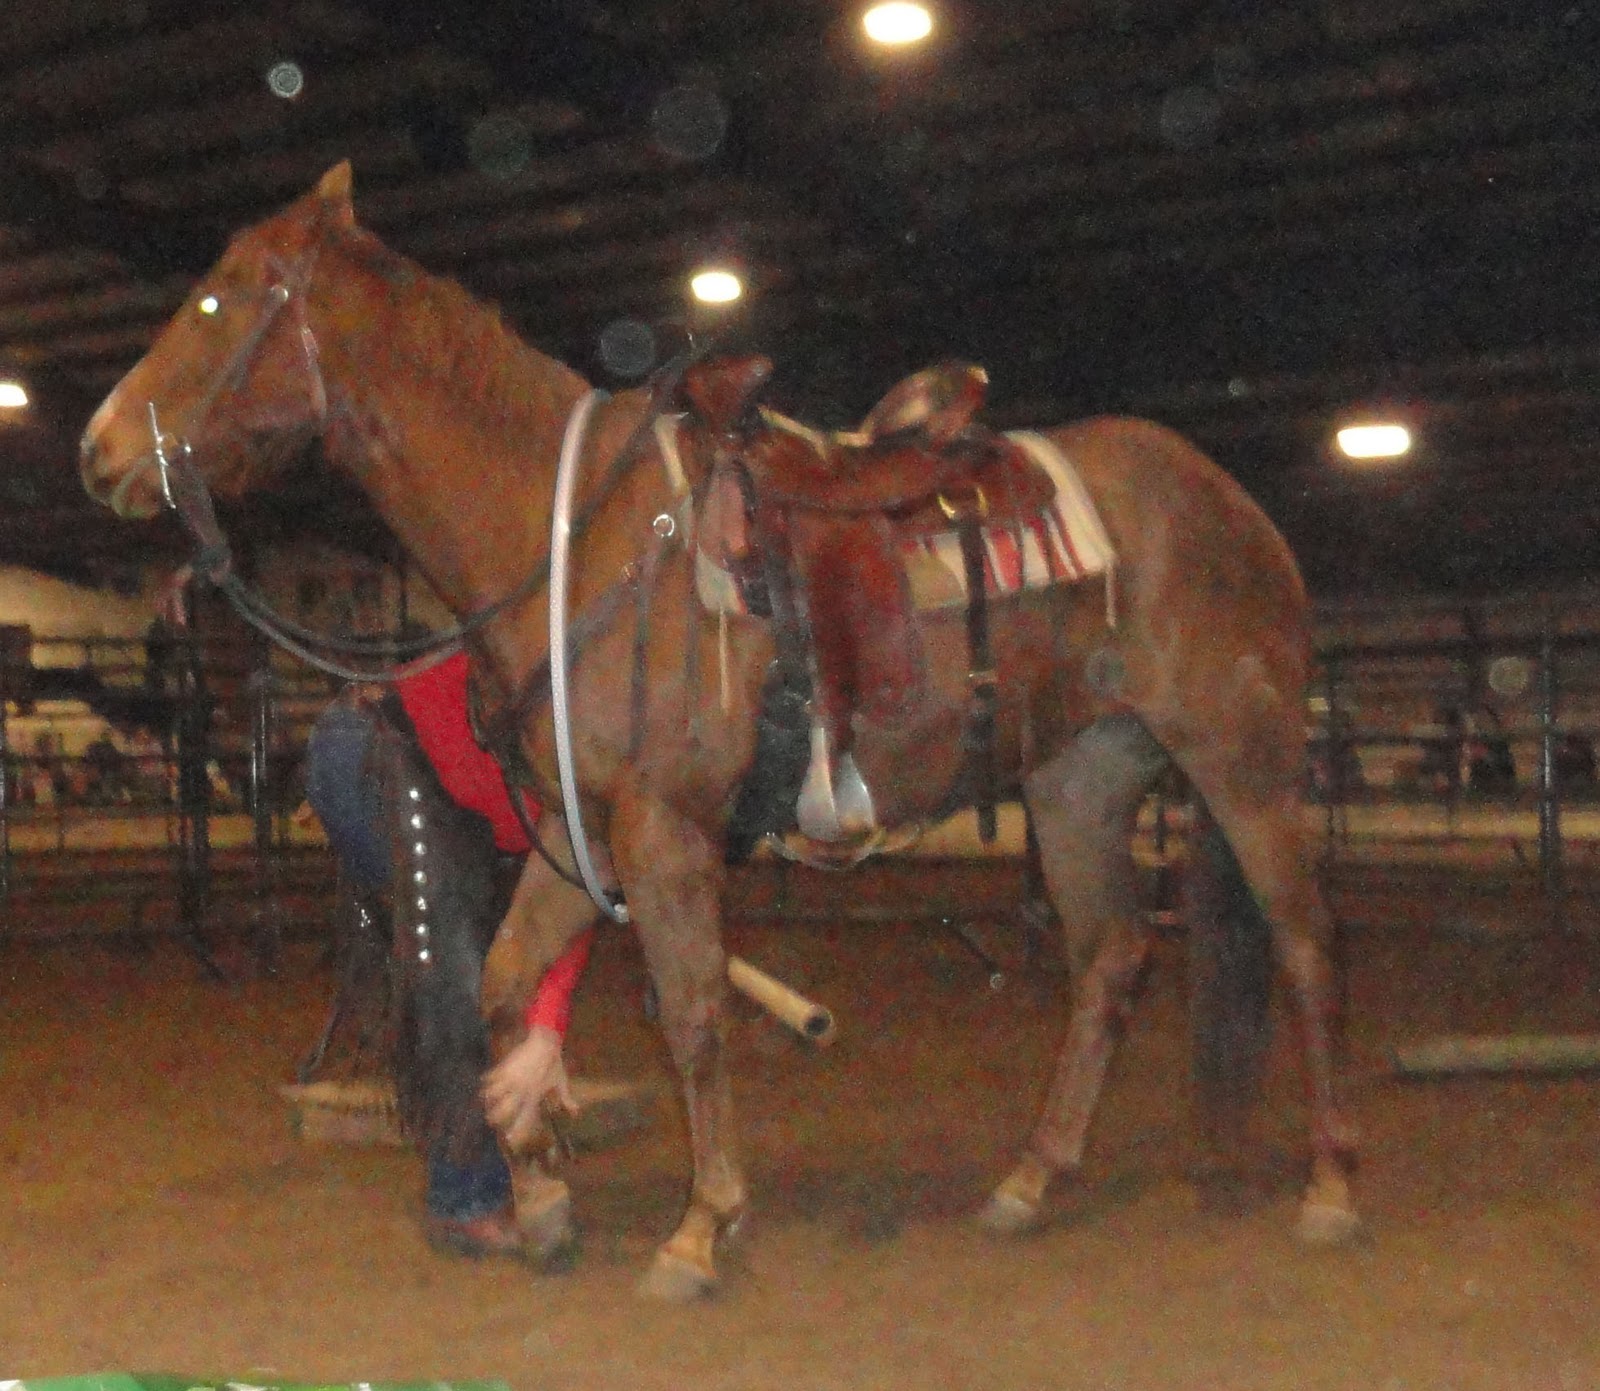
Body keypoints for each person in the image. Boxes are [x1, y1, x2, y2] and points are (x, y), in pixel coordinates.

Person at [305, 649, 596, 1259]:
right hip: (382, 749)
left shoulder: (598, 777)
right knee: (454, 967)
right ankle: (467, 1201)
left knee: (475, 958)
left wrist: (545, 1028)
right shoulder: (591, 752)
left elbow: (571, 900)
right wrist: (545, 1030)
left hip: (449, 778)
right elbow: (568, 889)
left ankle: (485, 1149)